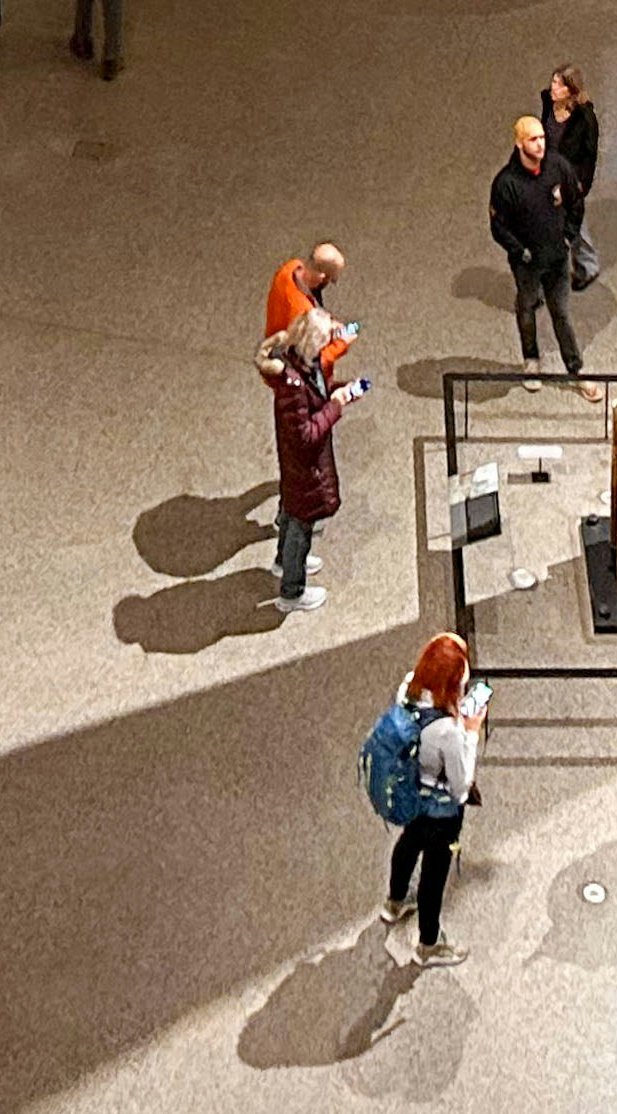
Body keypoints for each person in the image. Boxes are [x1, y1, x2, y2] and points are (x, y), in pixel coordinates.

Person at [374, 633, 484, 963]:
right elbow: (461, 785)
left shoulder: (408, 688)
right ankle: (429, 943)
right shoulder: (448, 731)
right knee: (435, 872)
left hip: (411, 792)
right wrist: (472, 730)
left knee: (408, 842)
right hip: (441, 810)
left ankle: (394, 902)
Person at [264, 312, 362, 615]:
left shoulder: (303, 366)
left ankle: (284, 562)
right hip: (304, 466)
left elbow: (318, 397)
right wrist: (336, 406)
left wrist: (342, 393)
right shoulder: (292, 385)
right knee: (300, 524)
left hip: (299, 467)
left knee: (293, 515)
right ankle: (292, 592)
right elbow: (306, 435)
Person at [489, 115, 583, 384]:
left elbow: (576, 201)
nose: (541, 144)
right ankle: (531, 359)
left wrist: (569, 236)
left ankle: (574, 367)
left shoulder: (557, 167)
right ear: (520, 144)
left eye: (542, 137)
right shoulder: (506, 184)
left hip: (557, 257)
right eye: (533, 139)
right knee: (527, 307)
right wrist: (519, 251)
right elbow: (499, 227)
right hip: (527, 264)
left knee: (561, 312)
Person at [539, 64, 605, 290]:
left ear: (570, 90)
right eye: (553, 82)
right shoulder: (549, 105)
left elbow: (588, 158)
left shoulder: (584, 119)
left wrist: (577, 187)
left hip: (569, 179)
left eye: (558, 84)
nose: (552, 87)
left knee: (570, 223)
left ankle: (586, 265)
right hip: (547, 173)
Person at [266, 242, 357, 381]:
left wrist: (327, 323)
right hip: (289, 367)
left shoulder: (291, 267)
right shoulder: (306, 316)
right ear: (321, 277)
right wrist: (342, 344)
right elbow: (313, 362)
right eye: (331, 279)